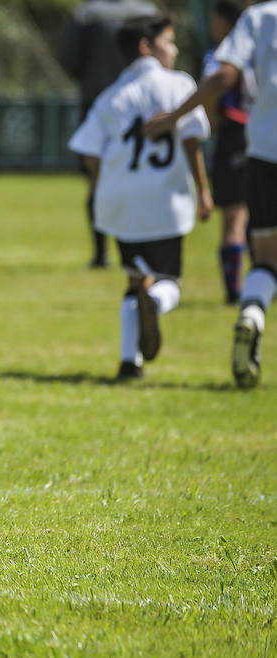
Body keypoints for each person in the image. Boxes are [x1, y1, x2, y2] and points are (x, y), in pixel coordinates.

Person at [69, 14, 212, 381]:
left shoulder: (111, 96)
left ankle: (128, 362)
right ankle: (158, 303)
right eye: (169, 41)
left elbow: (88, 152)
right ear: (147, 47)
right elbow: (192, 140)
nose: (175, 49)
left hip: (121, 203)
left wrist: (106, 185)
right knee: (170, 282)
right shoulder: (178, 84)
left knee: (134, 281)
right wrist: (203, 190)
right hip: (165, 202)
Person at [146, 1, 277, 389]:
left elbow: (222, 78)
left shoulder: (259, 17)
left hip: (266, 148)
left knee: (267, 256)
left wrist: (173, 117)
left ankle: (252, 312)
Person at [59, 0, 159, 269]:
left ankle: (101, 253)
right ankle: (144, 250)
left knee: (96, 177)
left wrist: (93, 78)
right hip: (145, 104)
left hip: (98, 100)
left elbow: (69, 59)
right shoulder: (148, 12)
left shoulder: (86, 15)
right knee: (143, 175)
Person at [202, 0, 255, 305]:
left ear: (225, 21)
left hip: (235, 134)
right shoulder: (263, 50)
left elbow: (214, 88)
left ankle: (234, 291)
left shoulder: (222, 55)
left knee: (234, 216)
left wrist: (209, 121)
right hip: (265, 135)